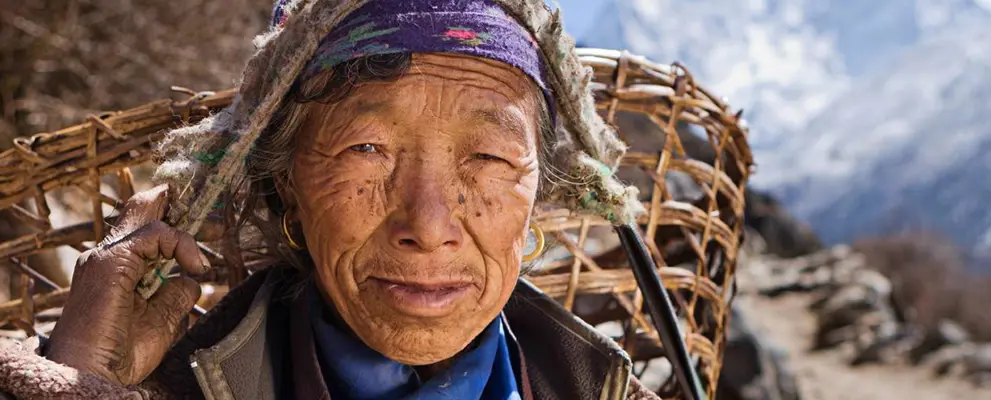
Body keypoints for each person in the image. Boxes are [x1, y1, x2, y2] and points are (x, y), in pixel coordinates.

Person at [0, 0, 655, 398]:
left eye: (487, 157)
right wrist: (84, 375)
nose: (427, 226)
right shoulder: (153, 386)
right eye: (365, 148)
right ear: (287, 182)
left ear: (538, 189)